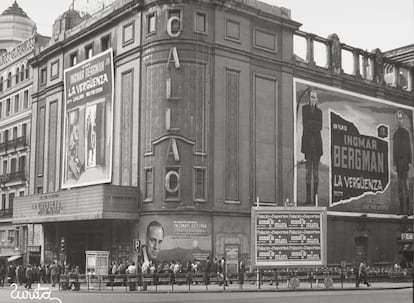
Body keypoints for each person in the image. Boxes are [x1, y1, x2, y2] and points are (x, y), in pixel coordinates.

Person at [301, 88, 323, 205]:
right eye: (311, 97)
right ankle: (308, 198)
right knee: (308, 173)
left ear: (317, 99)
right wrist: (312, 124)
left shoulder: (319, 112)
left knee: (316, 174)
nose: (313, 99)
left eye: (315, 97)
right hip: (308, 148)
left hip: (317, 148)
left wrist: (311, 123)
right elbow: (305, 124)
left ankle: (315, 199)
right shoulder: (304, 109)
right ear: (309, 98)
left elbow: (319, 126)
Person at [393, 110, 412, 215]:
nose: (399, 121)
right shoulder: (395, 134)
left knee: (406, 187)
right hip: (399, 164)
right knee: (400, 188)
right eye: (398, 119)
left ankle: (408, 210)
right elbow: (394, 150)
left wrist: (409, 161)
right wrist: (394, 164)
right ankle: (401, 210)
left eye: (401, 119)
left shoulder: (406, 133)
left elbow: (409, 148)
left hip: (405, 163)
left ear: (403, 120)